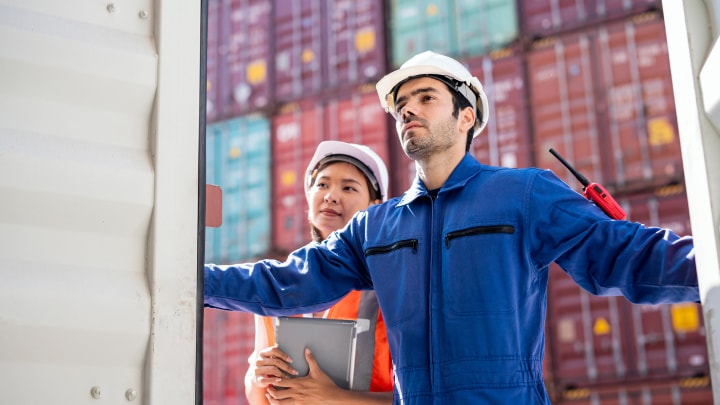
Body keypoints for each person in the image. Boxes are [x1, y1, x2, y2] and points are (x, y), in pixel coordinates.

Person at [205, 51, 698, 404]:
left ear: (467, 116)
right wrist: (189, 274)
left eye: (425, 97)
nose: (408, 111)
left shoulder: (524, 195)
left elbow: (629, 255)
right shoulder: (376, 227)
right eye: (402, 105)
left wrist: (711, 266)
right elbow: (284, 283)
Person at [243, 141, 394, 405]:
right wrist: (257, 377)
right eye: (322, 185)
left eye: (348, 187)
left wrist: (334, 398)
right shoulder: (278, 282)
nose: (331, 196)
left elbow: (423, 396)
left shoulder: (392, 284)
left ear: (375, 207)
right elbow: (258, 399)